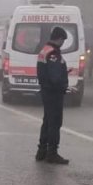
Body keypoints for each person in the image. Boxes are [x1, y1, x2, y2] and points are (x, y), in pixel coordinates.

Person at [35, 26, 71, 164]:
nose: (62, 43)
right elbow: (55, 77)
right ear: (59, 39)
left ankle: (41, 151)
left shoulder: (45, 50)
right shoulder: (53, 53)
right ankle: (52, 153)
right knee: (55, 123)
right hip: (53, 92)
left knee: (47, 121)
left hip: (46, 90)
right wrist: (64, 85)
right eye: (63, 40)